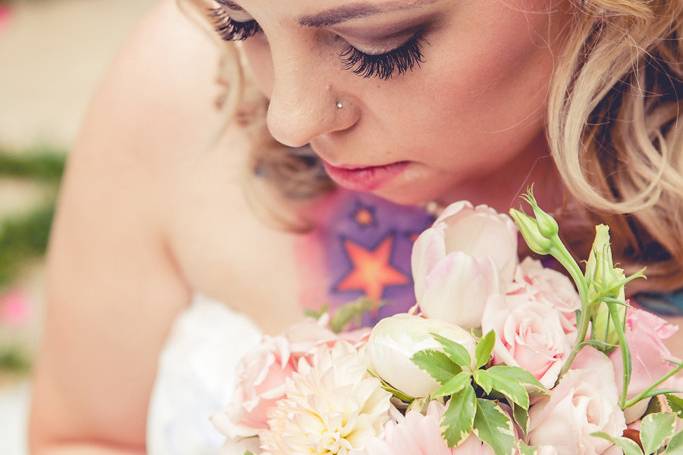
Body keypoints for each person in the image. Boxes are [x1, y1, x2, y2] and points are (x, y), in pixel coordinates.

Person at [28, 0, 683, 453]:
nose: (290, 118)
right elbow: (81, 435)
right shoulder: (180, 87)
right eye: (240, 22)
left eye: (378, 46)